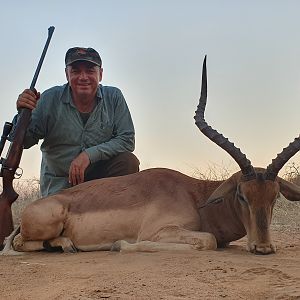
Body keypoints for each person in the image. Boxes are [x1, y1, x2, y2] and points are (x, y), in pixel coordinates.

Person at [13, 47, 139, 197]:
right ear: (67, 74)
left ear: (101, 74)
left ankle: (112, 211)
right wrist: (23, 113)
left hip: (100, 185)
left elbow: (127, 139)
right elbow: (25, 141)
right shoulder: (49, 98)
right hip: (60, 186)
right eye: (76, 71)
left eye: (90, 70)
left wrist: (88, 155)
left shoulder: (114, 97)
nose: (83, 77)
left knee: (128, 161)